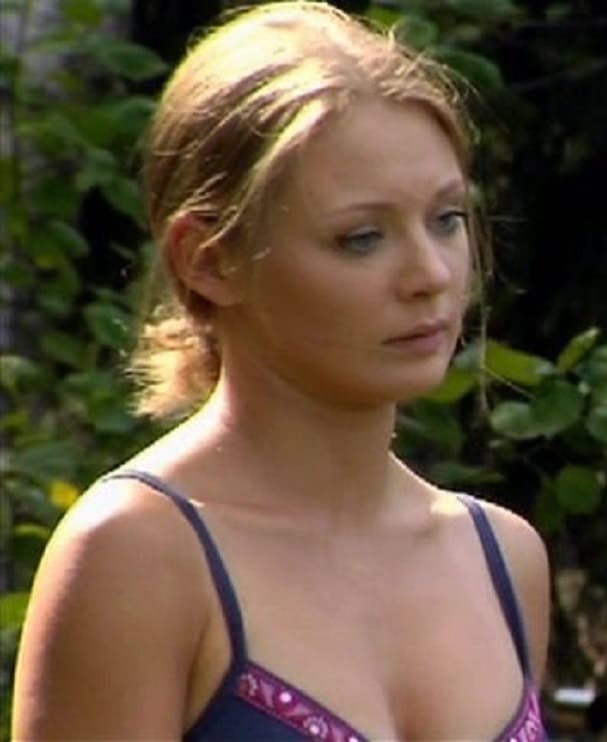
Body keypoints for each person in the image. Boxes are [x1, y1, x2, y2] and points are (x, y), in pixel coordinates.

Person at [11, 2, 550, 740]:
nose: (430, 274)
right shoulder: (138, 555)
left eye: (446, 219)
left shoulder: (504, 561)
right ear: (209, 260)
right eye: (362, 238)